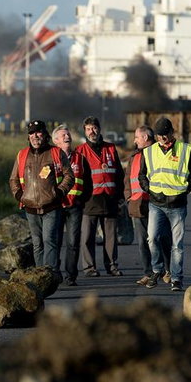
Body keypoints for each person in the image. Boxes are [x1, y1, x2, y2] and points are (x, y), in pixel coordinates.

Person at [138, 116, 191, 291]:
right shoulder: (149, 152)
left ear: (172, 133)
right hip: (156, 203)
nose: (162, 138)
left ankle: (176, 278)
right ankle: (157, 270)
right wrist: (149, 189)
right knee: (152, 238)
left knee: (177, 245)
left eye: (165, 134)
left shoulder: (185, 150)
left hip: (177, 205)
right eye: (159, 135)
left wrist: (184, 189)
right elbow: (142, 175)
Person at [9, 119, 73, 275]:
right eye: (31, 133)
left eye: (38, 132)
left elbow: (69, 176)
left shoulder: (56, 153)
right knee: (37, 244)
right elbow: (13, 179)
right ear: (28, 136)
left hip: (52, 206)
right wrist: (19, 195)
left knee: (49, 240)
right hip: (30, 207)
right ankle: (39, 275)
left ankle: (49, 274)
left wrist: (59, 192)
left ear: (45, 135)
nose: (35, 136)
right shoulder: (22, 155)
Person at [77, 116, 125, 277]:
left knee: (110, 237)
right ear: (85, 131)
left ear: (99, 129)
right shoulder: (80, 151)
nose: (92, 131)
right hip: (89, 200)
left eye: (95, 128)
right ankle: (89, 268)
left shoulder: (111, 148)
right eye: (89, 129)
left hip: (110, 198)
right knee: (87, 237)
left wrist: (120, 196)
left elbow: (119, 173)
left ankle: (112, 266)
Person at [125, 124, 172, 286]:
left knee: (162, 238)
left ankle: (167, 270)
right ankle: (149, 272)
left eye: (137, 137)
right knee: (142, 242)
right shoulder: (134, 156)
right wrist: (128, 198)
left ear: (145, 138)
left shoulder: (159, 153)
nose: (134, 140)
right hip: (137, 204)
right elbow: (127, 179)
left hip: (156, 203)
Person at [52, 124, 91, 286]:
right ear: (56, 141)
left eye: (68, 134)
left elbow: (88, 183)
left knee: (73, 242)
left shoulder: (80, 158)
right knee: (54, 242)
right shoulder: (51, 158)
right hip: (55, 207)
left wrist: (82, 200)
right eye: (63, 135)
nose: (67, 137)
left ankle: (70, 276)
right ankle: (54, 274)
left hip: (75, 207)